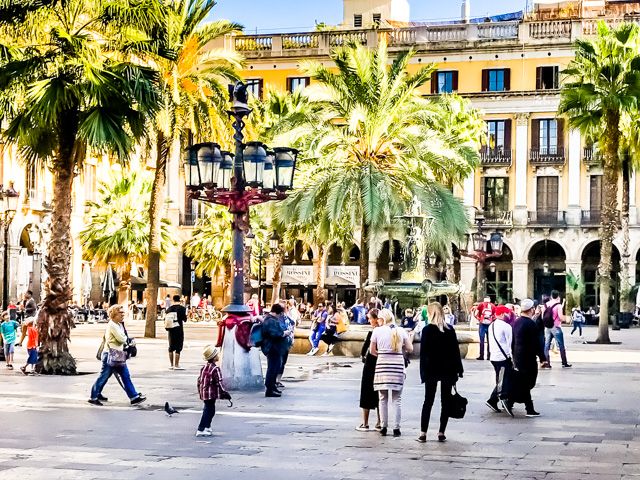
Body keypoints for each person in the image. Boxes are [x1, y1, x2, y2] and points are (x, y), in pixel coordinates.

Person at [417, 302, 463, 443]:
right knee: (445, 401)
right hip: (448, 370)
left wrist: (423, 373)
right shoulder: (450, 330)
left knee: (428, 401)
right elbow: (456, 352)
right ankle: (441, 432)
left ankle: (423, 433)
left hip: (431, 370)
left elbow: (423, 354)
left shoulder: (427, 330)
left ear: (430, 313)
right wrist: (458, 370)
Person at [89, 304, 146, 406]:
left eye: (123, 313)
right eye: (120, 313)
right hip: (111, 355)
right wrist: (124, 339)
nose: (123, 315)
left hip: (117, 354)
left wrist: (124, 338)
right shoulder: (112, 325)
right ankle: (94, 397)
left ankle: (134, 397)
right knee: (105, 376)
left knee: (123, 375)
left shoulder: (119, 324)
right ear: (114, 314)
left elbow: (123, 337)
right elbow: (122, 339)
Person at [370, 308, 413, 437]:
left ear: (382, 319)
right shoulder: (401, 331)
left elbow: (372, 351)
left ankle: (384, 426)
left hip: (382, 366)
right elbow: (410, 348)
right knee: (397, 399)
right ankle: (396, 428)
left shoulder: (377, 331)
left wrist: (384, 355)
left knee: (382, 398)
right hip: (397, 367)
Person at [508, 298, 545, 417]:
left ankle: (511, 402)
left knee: (522, 382)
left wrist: (513, 355)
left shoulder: (516, 322)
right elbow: (536, 343)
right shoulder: (531, 324)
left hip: (518, 357)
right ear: (531, 310)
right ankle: (528, 408)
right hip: (528, 358)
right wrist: (543, 357)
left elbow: (512, 341)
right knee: (527, 382)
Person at [196, 345, 230, 437]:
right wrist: (225, 393)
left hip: (204, 393)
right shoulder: (216, 369)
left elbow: (199, 380)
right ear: (214, 357)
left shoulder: (204, 368)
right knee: (209, 410)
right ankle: (201, 428)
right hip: (211, 393)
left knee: (210, 409)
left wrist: (200, 391)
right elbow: (219, 382)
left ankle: (207, 426)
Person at [356, 308, 381, 432]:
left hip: (371, 363)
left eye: (370, 318)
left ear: (376, 319)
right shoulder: (386, 332)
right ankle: (380, 422)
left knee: (366, 391)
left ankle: (365, 423)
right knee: (380, 393)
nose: (369, 320)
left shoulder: (374, 333)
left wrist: (362, 356)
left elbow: (367, 349)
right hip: (381, 365)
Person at [486, 305, 513, 414]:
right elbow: (510, 344)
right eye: (507, 313)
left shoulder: (491, 325)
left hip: (494, 357)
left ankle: (500, 399)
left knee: (500, 379)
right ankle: (495, 400)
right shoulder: (506, 327)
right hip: (503, 358)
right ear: (502, 314)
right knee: (504, 380)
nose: (508, 316)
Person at [261, 303, 288, 397]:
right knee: (273, 368)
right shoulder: (271, 321)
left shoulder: (269, 319)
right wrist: (285, 333)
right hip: (273, 347)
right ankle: (269, 389)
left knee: (275, 367)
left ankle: (272, 387)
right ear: (278, 312)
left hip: (273, 347)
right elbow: (275, 334)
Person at [544, 290, 571, 368]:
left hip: (547, 327)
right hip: (556, 327)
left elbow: (543, 316)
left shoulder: (546, 304)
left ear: (551, 296)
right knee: (561, 345)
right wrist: (565, 319)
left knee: (546, 345)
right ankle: (564, 362)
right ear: (558, 296)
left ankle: (547, 363)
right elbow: (561, 317)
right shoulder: (558, 305)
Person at [276, 304, 296, 389]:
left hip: (285, 343)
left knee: (282, 362)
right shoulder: (277, 318)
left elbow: (293, 323)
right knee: (278, 362)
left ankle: (278, 380)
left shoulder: (286, 318)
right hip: (279, 343)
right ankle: (276, 380)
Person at [165, 294, 187, 370]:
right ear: (179, 300)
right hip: (179, 329)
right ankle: (176, 364)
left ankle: (171, 364)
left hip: (171, 329)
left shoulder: (169, 309)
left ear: (173, 300)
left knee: (171, 347)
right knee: (178, 347)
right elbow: (185, 319)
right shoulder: (182, 309)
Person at [475, 296, 495, 360]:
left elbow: (475, 314)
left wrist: (479, 319)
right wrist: (492, 320)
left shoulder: (480, 304)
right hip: (489, 324)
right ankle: (489, 356)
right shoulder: (493, 305)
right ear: (490, 299)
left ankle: (481, 356)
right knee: (490, 341)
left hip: (482, 324)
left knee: (482, 340)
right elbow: (495, 315)